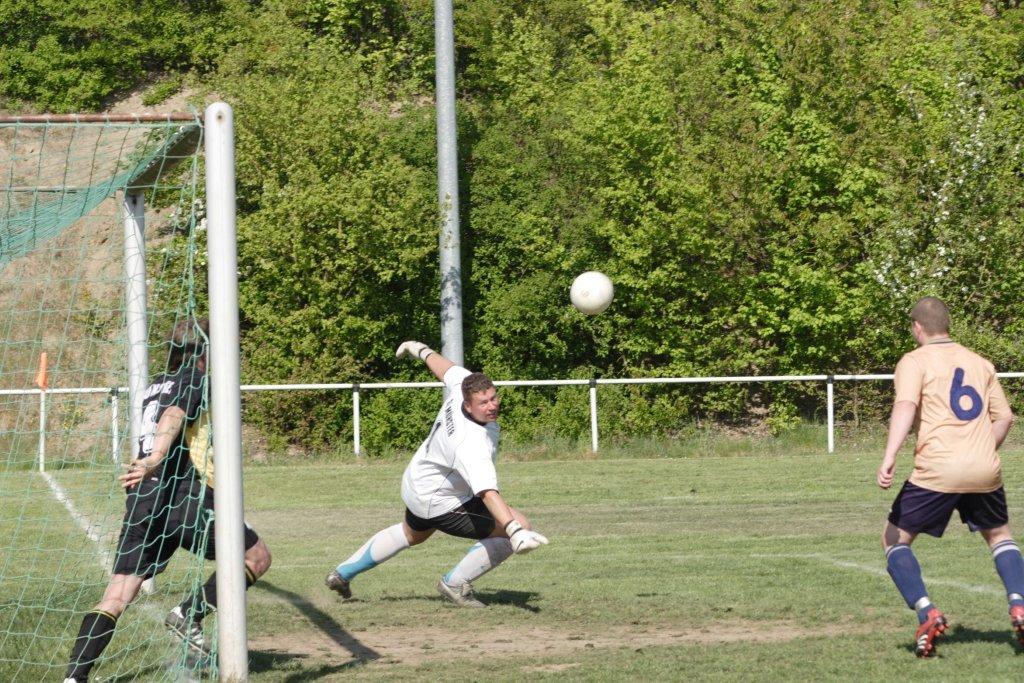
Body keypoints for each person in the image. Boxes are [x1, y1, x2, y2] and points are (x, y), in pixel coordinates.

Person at [64, 318, 271, 682]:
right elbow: (174, 415)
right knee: (256, 557)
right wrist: (157, 457)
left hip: (144, 500)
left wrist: (147, 464)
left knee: (117, 594)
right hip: (184, 494)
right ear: (206, 350)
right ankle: (188, 614)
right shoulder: (195, 378)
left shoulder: (155, 385)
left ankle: (74, 677)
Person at [325, 340, 548, 608]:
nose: (491, 406)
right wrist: (515, 531)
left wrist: (420, 349)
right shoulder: (471, 443)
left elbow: (447, 370)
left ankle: (342, 574)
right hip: (440, 501)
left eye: (493, 398)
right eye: (483, 403)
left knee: (411, 534)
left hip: (418, 481)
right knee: (519, 525)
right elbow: (487, 493)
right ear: (468, 406)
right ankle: (455, 584)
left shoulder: (463, 386)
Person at [877, 296, 1019, 657]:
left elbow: (905, 405)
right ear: (947, 325)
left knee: (894, 539)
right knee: (999, 536)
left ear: (917, 327)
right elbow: (1005, 417)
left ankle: (926, 611)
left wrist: (890, 455)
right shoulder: (980, 362)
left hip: (937, 468)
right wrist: (981, 448)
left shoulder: (914, 361)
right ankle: (1020, 604)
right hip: (984, 467)